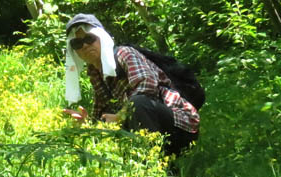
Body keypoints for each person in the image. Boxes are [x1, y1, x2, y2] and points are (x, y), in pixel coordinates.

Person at [63, 14, 199, 157]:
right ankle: (154, 166)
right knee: (123, 116)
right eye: (77, 44)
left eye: (89, 39)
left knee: (138, 103)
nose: (84, 46)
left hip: (182, 125)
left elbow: (148, 85)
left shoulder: (124, 54)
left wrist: (120, 116)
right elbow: (103, 113)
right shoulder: (95, 73)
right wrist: (87, 123)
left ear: (101, 38)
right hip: (151, 126)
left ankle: (154, 165)